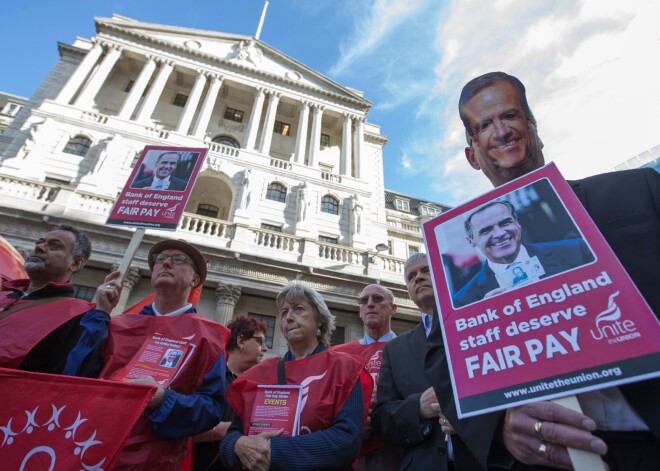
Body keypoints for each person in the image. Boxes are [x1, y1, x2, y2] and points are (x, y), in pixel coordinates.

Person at [426, 71, 660, 471]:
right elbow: (440, 360)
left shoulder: (638, 191)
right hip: (547, 461)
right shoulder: (456, 279)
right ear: (471, 154)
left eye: (510, 116)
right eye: (484, 126)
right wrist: (497, 423)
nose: (501, 132)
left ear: (533, 129)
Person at [64, 239, 230, 470]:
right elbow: (75, 378)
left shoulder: (210, 337)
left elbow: (210, 409)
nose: (166, 263)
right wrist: (100, 313)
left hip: (152, 461)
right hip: (90, 449)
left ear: (194, 279)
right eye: (160, 259)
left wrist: (162, 399)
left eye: (179, 259)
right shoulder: (116, 323)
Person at [220, 284, 366, 471]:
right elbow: (232, 435)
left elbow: (347, 441)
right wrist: (237, 445)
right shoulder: (259, 373)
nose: (288, 317)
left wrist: (268, 450)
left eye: (299, 309)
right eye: (284, 312)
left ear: (320, 319)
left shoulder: (344, 367)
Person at [372, 253, 455, 471]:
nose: (418, 278)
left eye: (426, 271)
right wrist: (417, 407)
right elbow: (382, 419)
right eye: (411, 276)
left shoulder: (476, 324)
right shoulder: (395, 350)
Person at [0, 224, 108, 374]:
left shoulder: (77, 315)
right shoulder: (4, 295)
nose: (40, 248)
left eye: (54, 246)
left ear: (75, 263)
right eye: (39, 242)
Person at [453, 200, 594, 307]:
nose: (500, 233)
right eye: (486, 230)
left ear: (517, 223)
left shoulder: (578, 250)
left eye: (505, 223)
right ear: (471, 241)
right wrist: (485, 315)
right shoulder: (463, 301)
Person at [332, 284, 401, 470]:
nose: (369, 304)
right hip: (350, 452)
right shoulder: (338, 355)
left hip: (398, 450)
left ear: (393, 308)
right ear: (359, 311)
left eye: (377, 299)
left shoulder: (409, 348)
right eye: (364, 301)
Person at [193, 315, 268, 471]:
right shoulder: (207, 377)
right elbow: (178, 427)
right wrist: (220, 431)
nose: (265, 348)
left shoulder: (257, 388)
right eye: (260, 341)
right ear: (240, 341)